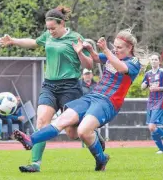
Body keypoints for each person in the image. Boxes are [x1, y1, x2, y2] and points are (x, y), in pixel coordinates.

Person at [14, 28, 148, 171]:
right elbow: (96, 58)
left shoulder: (134, 62)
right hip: (92, 97)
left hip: (108, 102)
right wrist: (87, 50)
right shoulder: (112, 55)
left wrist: (107, 50)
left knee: (83, 131)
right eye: (114, 46)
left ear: (130, 48)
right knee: (61, 121)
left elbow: (121, 68)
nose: (115, 50)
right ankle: (30, 140)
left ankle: (101, 159)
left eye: (119, 47)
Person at [0, 6, 105, 173]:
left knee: (72, 132)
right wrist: (13, 40)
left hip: (70, 87)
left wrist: (79, 53)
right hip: (49, 86)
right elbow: (34, 42)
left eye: (53, 28)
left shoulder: (75, 38)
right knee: (41, 122)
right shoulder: (48, 35)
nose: (50, 32)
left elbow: (89, 65)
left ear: (62, 23)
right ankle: (35, 163)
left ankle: (93, 136)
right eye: (48, 29)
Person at [141, 53, 163, 154]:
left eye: (155, 59)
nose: (154, 61)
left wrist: (158, 88)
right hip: (151, 101)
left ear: (159, 61)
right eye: (152, 59)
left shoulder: (162, 72)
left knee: (151, 126)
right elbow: (142, 86)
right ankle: (161, 149)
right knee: (152, 128)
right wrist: (144, 84)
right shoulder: (148, 73)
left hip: (160, 101)